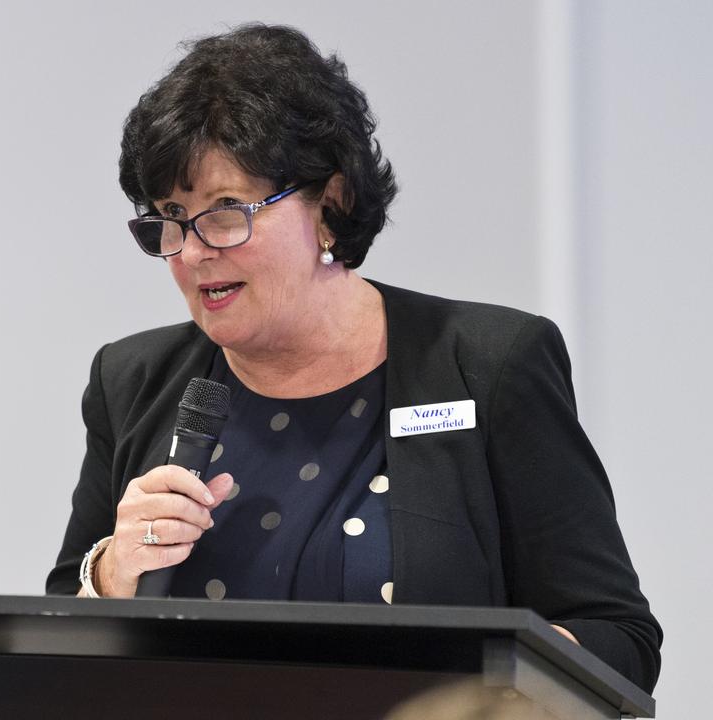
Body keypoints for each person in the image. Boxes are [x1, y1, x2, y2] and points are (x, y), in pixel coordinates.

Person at [44, 23, 661, 693]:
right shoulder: (131, 381)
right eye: (171, 215)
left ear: (328, 205)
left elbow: (616, 636)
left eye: (226, 210)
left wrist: (490, 690)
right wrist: (107, 577)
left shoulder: (489, 366)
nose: (193, 251)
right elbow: (48, 645)